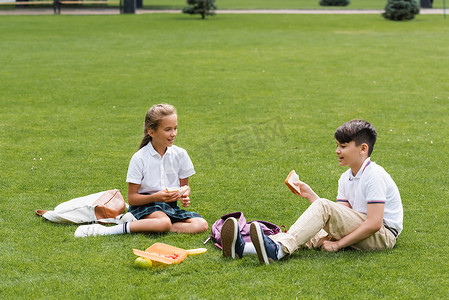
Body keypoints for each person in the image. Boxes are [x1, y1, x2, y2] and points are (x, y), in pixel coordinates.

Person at [221, 119, 403, 264]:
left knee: (319, 214)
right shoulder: (346, 178)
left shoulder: (374, 175)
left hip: (383, 236)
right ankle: (244, 248)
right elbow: (339, 217)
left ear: (363, 148)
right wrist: (309, 195)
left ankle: (276, 251)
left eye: (343, 146)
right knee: (310, 230)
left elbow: (374, 224)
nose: (337, 150)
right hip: (363, 227)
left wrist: (338, 244)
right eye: (337, 145)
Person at [75, 104, 208, 237]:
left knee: (201, 224)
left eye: (175, 128)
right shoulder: (139, 158)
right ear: (151, 132)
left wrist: (184, 195)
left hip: (170, 207)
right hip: (144, 206)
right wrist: (156, 197)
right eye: (167, 129)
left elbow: (185, 186)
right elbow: (132, 199)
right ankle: (107, 230)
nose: (173, 133)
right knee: (164, 222)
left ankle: (152, 225)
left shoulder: (181, 154)